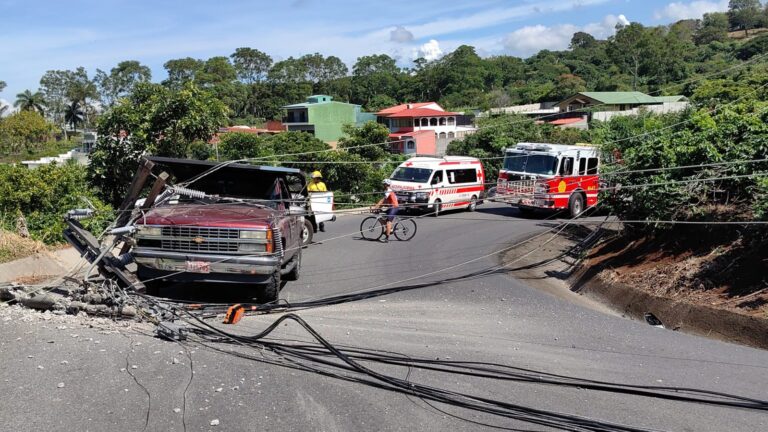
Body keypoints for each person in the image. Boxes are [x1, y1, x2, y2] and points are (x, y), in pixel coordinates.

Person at [372, 179, 399, 243]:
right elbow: (385, 201)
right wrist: (379, 207)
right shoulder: (388, 191)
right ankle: (391, 229)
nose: (382, 185)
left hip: (394, 208)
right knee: (382, 217)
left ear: (386, 184)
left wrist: (375, 207)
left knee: (388, 222)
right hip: (391, 207)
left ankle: (387, 238)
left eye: (383, 184)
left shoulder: (389, 191)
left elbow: (382, 200)